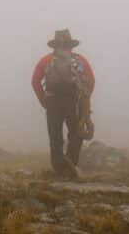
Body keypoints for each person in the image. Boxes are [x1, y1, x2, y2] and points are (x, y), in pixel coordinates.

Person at [32, 29, 96, 179]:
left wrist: (44, 101)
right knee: (76, 134)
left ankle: (59, 169)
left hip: (52, 102)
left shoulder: (45, 60)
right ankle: (70, 166)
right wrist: (84, 101)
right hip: (74, 102)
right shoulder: (80, 61)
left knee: (55, 137)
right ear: (71, 45)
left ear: (54, 45)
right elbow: (91, 81)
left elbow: (35, 81)